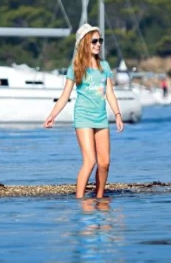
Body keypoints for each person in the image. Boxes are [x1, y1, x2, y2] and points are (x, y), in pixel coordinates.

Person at [44, 23, 125, 199]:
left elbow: (110, 93)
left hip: (101, 118)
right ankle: (79, 200)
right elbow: (65, 95)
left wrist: (117, 115)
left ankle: (100, 197)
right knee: (90, 161)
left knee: (104, 163)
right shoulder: (76, 67)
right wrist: (52, 115)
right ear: (84, 44)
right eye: (94, 41)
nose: (98, 44)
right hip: (83, 118)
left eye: (100, 40)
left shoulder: (104, 66)